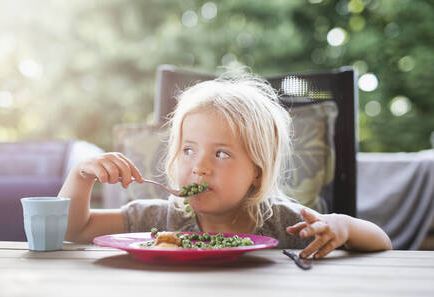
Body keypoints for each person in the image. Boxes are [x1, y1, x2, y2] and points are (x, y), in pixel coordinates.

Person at [59, 73, 392, 259]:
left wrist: (341, 226)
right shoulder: (158, 219)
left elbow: (382, 242)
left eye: (221, 154)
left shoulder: (284, 222)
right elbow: (75, 229)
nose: (199, 167)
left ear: (257, 171)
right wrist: (82, 176)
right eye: (188, 150)